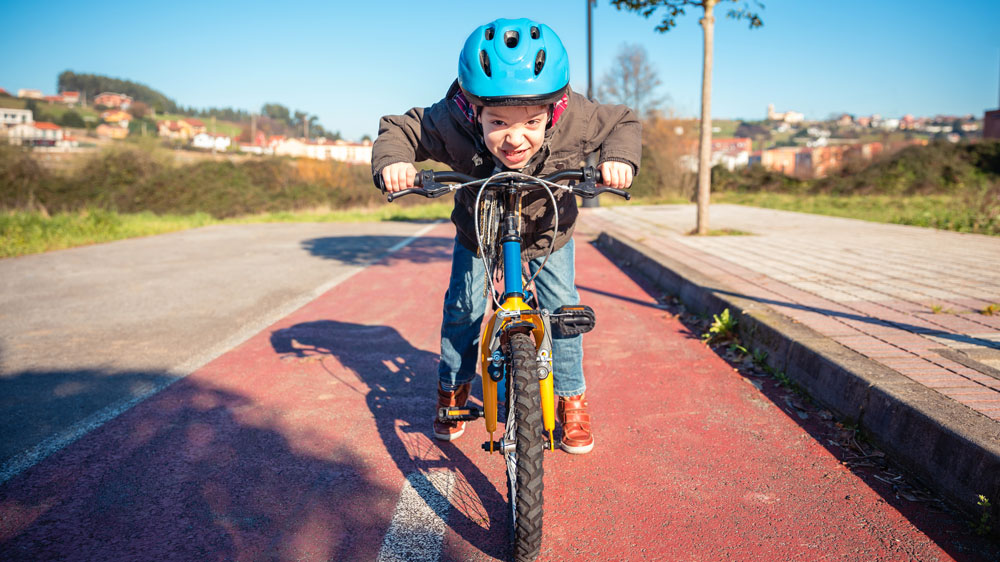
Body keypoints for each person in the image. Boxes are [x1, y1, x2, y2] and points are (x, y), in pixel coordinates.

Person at [372, 17, 641, 454]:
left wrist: (620, 160)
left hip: (546, 229)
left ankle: (571, 397)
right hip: (480, 226)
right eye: (497, 122)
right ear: (473, 109)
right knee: (463, 305)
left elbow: (623, 124)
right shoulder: (449, 120)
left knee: (561, 309)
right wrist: (394, 164)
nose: (515, 139)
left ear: (553, 109)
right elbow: (399, 129)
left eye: (531, 123)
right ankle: (454, 386)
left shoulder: (579, 118)